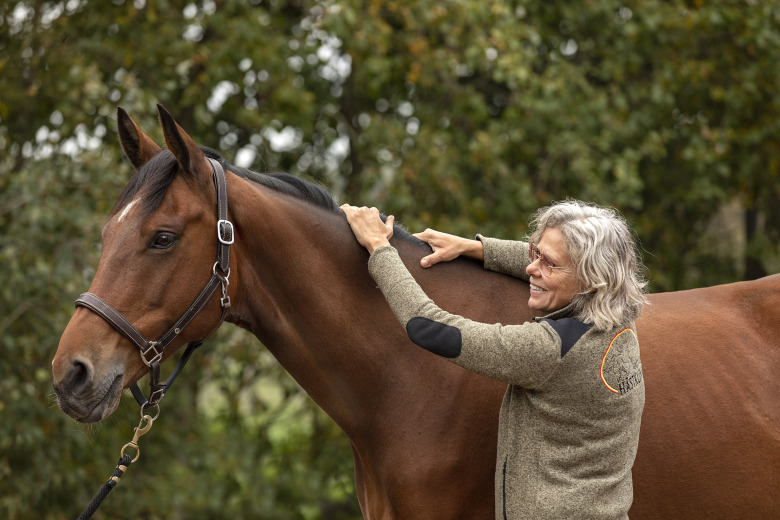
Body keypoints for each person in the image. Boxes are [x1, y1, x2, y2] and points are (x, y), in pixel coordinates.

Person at [340, 199, 647, 520]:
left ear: (591, 278)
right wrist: (473, 248)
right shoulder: (618, 314)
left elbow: (427, 327)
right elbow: (549, 260)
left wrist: (378, 248)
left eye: (548, 264)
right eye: (535, 253)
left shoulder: (549, 350)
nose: (531, 267)